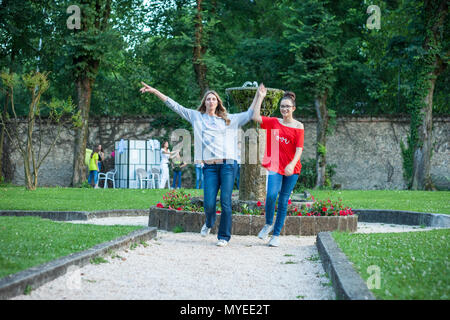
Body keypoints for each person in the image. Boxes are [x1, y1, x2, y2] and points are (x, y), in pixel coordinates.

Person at [140, 81, 265, 247]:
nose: (211, 101)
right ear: (204, 103)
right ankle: (209, 221)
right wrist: (155, 91)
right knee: (209, 202)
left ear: (218, 103)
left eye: (214, 99)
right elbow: (176, 106)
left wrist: (259, 95)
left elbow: (250, 113)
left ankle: (224, 237)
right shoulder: (196, 117)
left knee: (226, 201)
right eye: (208, 99)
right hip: (210, 167)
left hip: (228, 165)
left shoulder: (228, 120)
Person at [252, 90, 304, 247]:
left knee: (283, 201)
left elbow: (299, 149)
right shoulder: (274, 122)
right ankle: (268, 223)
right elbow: (255, 117)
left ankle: (276, 235)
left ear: (293, 108)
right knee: (271, 195)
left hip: (291, 169)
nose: (284, 109)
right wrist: (260, 97)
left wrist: (292, 164)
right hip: (275, 165)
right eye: (282, 106)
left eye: (287, 106)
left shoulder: (299, 126)